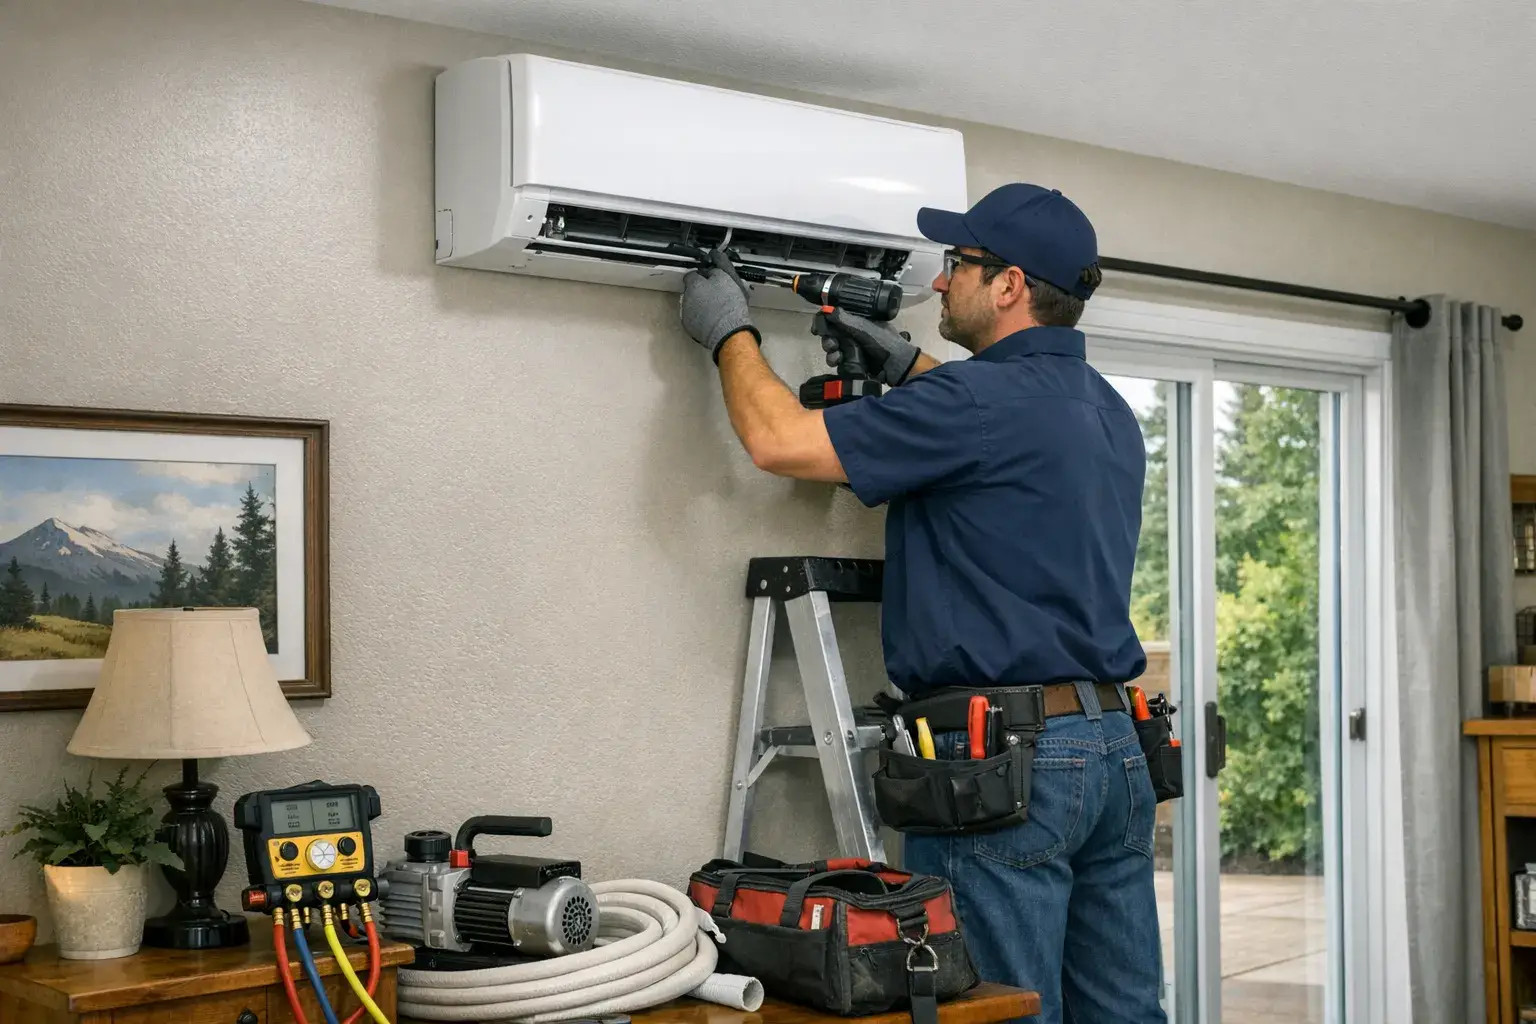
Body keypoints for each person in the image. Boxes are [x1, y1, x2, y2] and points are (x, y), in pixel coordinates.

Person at [677, 182, 1163, 1024]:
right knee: (1123, 1015)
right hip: (1115, 750)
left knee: (1003, 1015)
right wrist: (908, 368)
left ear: (1009, 284)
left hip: (1010, 771)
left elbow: (778, 440)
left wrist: (730, 331)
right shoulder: (1108, 410)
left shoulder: (972, 403)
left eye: (960, 264)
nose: (940, 283)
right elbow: (1005, 421)